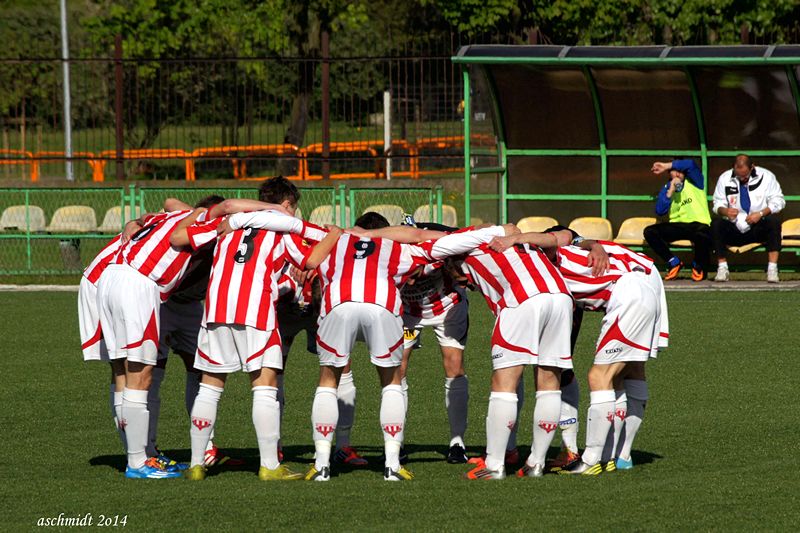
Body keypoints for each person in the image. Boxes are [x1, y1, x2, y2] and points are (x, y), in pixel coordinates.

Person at [173, 179, 342, 482]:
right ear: (287, 204)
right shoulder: (283, 228)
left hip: (216, 308)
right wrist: (335, 234)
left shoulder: (228, 225)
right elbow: (311, 259)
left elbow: (179, 239)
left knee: (210, 386)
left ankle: (197, 464)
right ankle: (269, 466)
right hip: (256, 309)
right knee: (264, 386)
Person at [489, 228, 667, 475]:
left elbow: (557, 236)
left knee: (599, 376)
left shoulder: (549, 257)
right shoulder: (570, 258)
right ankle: (617, 456)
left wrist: (515, 238)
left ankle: (592, 459)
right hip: (644, 283)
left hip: (629, 292)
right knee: (628, 372)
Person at [711, 154, 785, 283]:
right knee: (716, 224)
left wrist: (761, 213)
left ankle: (772, 269)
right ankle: (722, 268)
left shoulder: (766, 176)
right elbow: (717, 204)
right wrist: (725, 211)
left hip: (757, 227)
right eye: (738, 175)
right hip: (735, 227)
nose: (742, 178)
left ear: (752, 167)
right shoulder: (724, 178)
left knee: (773, 222)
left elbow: (779, 201)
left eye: (745, 175)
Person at [644, 159, 712, 281]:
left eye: (680, 171)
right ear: (669, 174)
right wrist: (670, 192)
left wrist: (665, 165)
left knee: (703, 233)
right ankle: (673, 262)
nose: (677, 174)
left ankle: (698, 266)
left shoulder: (696, 182)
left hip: (697, 224)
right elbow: (660, 211)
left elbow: (690, 164)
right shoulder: (666, 188)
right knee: (649, 231)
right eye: (674, 172)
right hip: (677, 226)